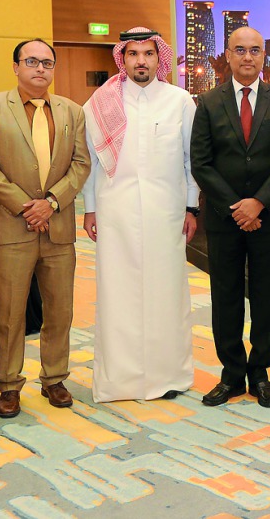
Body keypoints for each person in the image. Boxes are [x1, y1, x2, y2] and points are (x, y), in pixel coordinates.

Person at [0, 39, 89, 418]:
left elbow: (80, 164)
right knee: (9, 313)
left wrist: (51, 202)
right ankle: (8, 385)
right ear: (16, 66)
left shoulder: (72, 111)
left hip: (58, 229)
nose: (40, 68)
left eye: (47, 63)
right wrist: (28, 207)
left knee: (60, 311)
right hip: (13, 229)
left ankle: (54, 378)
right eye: (32, 61)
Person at [82, 27, 199, 402]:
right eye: (133, 54)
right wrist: (89, 209)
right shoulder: (99, 103)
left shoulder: (180, 101)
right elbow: (90, 165)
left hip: (167, 213)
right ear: (122, 58)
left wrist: (192, 206)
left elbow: (190, 160)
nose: (141, 61)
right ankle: (121, 381)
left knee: (168, 295)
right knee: (119, 295)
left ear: (159, 58)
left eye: (148, 54)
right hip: (115, 213)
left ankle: (169, 376)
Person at [190, 26, 270, 407]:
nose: (248, 57)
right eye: (240, 50)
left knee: (267, 297)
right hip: (224, 220)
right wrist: (237, 207)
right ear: (228, 54)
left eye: (255, 50)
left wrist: (258, 203)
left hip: (268, 219)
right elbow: (201, 164)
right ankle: (232, 375)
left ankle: (260, 374)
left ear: (263, 57)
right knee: (226, 297)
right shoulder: (207, 102)